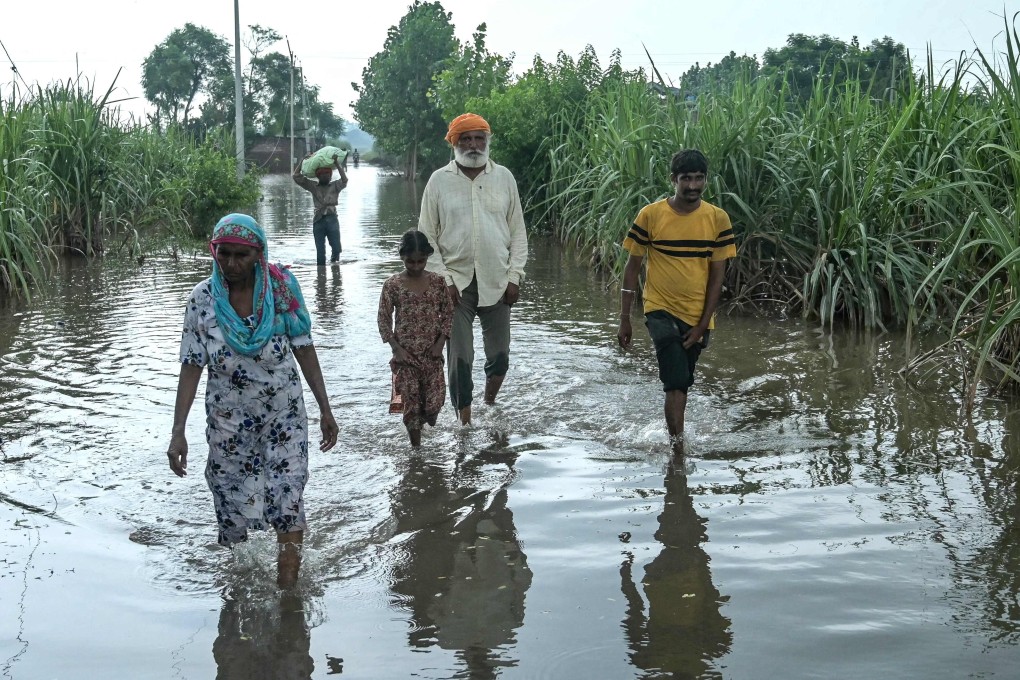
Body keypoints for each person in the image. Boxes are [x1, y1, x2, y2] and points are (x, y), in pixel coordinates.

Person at [167, 213, 339, 588]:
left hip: (284, 416)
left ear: (259, 254)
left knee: (288, 496)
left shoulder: (281, 291)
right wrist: (178, 432)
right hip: (228, 421)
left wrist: (326, 409)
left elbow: (304, 348)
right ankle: (240, 590)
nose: (230, 263)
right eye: (223, 254)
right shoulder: (202, 301)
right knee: (231, 504)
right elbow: (191, 366)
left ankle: (288, 592)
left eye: (241, 255)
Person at [617, 149, 737, 456]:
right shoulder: (651, 215)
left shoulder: (717, 219)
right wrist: (625, 318)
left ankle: (674, 442)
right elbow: (632, 269)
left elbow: (716, 278)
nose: (693, 186)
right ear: (673, 180)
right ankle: (678, 452)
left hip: (698, 314)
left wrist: (701, 325)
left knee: (682, 381)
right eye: (686, 179)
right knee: (675, 378)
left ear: (706, 181)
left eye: (699, 179)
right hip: (659, 307)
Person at [418, 113, 528, 426]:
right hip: (456, 287)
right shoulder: (439, 180)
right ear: (454, 143)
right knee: (460, 360)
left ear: (487, 142)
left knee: (500, 358)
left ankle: (490, 403)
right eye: (465, 139)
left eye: (479, 138)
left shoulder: (504, 177)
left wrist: (515, 276)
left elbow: (518, 232)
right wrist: (445, 281)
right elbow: (427, 236)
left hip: (498, 280)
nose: (473, 145)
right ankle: (465, 424)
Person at [377, 230, 454, 446]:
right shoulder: (392, 285)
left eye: (421, 261)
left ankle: (426, 423)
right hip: (406, 357)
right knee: (411, 409)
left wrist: (440, 344)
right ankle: (416, 452)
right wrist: (395, 348)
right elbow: (383, 318)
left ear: (428, 257)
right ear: (402, 257)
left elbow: (448, 313)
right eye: (411, 261)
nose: (416, 266)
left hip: (432, 354)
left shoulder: (438, 283)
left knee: (433, 405)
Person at [292, 152, 349, 267]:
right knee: (320, 251)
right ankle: (321, 276)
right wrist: (302, 160)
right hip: (318, 220)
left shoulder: (335, 186)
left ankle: (334, 266)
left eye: (327, 175)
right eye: (322, 175)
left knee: (337, 247)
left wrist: (337, 163)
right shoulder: (313, 186)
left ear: (330, 176)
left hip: (332, 218)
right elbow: (296, 176)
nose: (325, 177)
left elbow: (344, 180)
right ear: (318, 176)